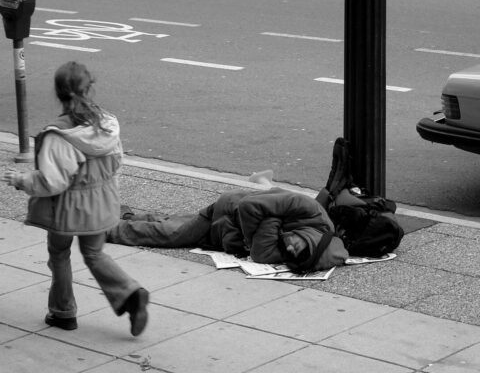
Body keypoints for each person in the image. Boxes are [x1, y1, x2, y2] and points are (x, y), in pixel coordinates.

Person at [2, 61, 149, 336]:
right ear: (90, 88)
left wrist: (22, 181)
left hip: (67, 209)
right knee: (94, 253)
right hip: (102, 202)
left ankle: (63, 312)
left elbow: (51, 182)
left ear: (58, 94)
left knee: (59, 254)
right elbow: (117, 162)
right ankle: (131, 293)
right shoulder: (107, 123)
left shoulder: (59, 134)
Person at [106, 169, 351, 273]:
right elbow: (248, 207)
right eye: (296, 246)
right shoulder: (311, 211)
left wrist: (271, 219)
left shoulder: (298, 250)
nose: (288, 248)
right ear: (311, 238)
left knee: (172, 223)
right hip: (227, 210)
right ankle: (105, 230)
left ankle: (125, 215)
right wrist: (261, 229)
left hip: (228, 231)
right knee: (172, 235)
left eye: (292, 255)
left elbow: (262, 255)